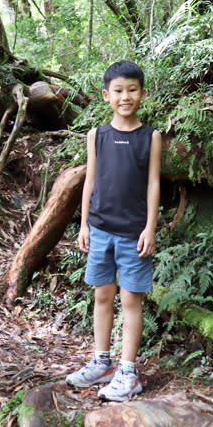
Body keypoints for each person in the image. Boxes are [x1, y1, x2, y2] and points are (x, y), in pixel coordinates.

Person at [65, 60, 162, 402]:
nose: (125, 97)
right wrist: (83, 224)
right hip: (100, 230)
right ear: (107, 95)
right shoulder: (97, 135)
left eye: (132, 90)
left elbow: (153, 183)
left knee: (130, 300)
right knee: (102, 296)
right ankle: (102, 362)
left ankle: (128, 371)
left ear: (143, 94)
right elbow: (90, 180)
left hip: (133, 233)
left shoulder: (150, 136)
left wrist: (150, 227)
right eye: (118, 91)